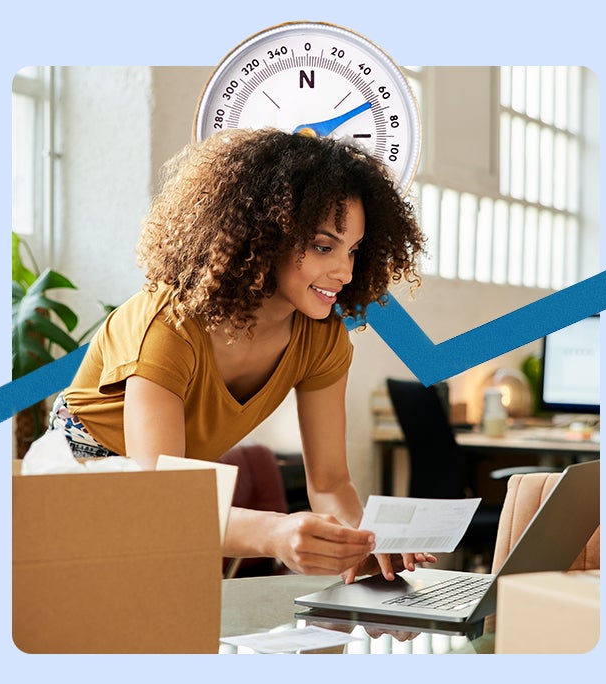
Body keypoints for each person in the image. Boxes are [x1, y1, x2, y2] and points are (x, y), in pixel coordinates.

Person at [51, 127, 429, 583]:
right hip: (71, 495)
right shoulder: (169, 326)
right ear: (265, 235)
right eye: (324, 246)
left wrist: (364, 544)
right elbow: (161, 496)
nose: (345, 271)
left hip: (169, 507)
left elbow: (330, 484)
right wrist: (273, 532)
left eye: (354, 250)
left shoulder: (323, 337)